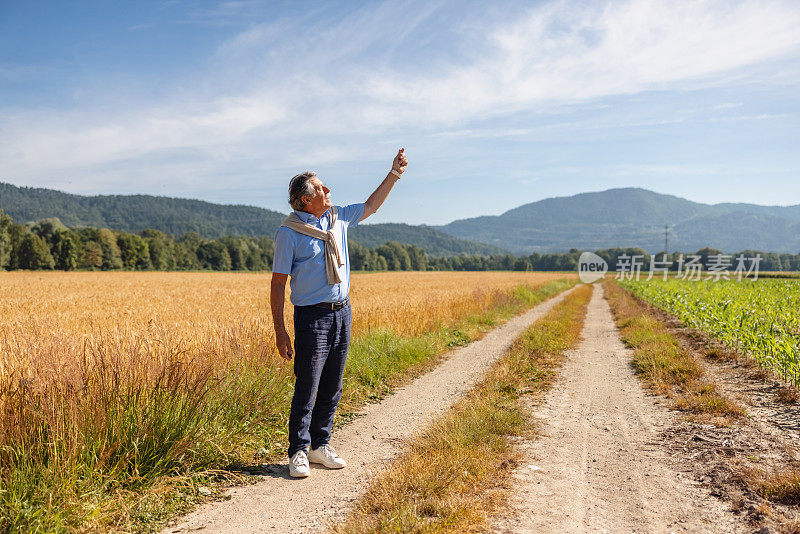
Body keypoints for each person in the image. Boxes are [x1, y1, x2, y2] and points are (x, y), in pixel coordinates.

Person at [270, 148, 409, 478]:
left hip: (341, 312)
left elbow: (372, 205)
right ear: (305, 201)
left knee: (333, 384)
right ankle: (298, 451)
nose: (328, 190)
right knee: (308, 384)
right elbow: (277, 286)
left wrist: (395, 173)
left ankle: (320, 445)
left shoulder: (338, 218)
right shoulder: (288, 233)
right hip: (311, 317)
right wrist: (280, 330)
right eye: (321, 188)